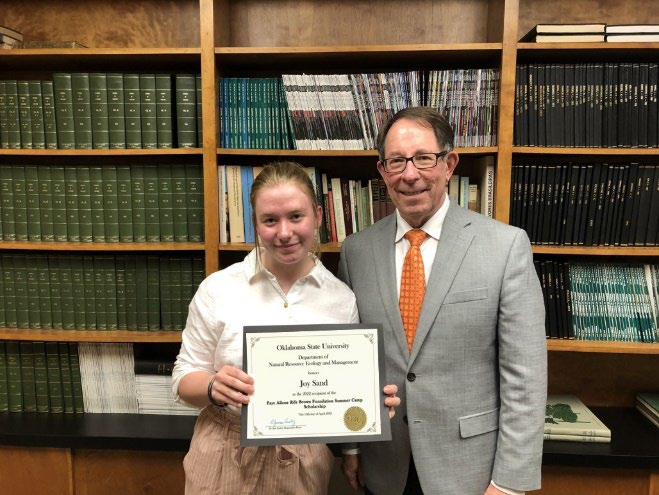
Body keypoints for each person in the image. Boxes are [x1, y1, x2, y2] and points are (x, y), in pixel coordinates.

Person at [337, 107, 547, 495]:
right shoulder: (355, 251)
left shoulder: (505, 246)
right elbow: (350, 358)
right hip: (384, 465)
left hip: (472, 472)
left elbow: (525, 377)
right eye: (396, 161)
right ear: (382, 171)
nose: (410, 174)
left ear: (449, 164)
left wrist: (510, 482)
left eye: (424, 158)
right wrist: (351, 445)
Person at [172, 161, 400, 495]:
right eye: (270, 220)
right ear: (255, 224)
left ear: (318, 216)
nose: (283, 232)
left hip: (303, 457)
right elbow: (182, 379)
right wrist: (212, 386)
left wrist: (371, 407)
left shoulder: (341, 298)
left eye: (296, 216)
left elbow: (347, 386)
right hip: (223, 449)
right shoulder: (218, 288)